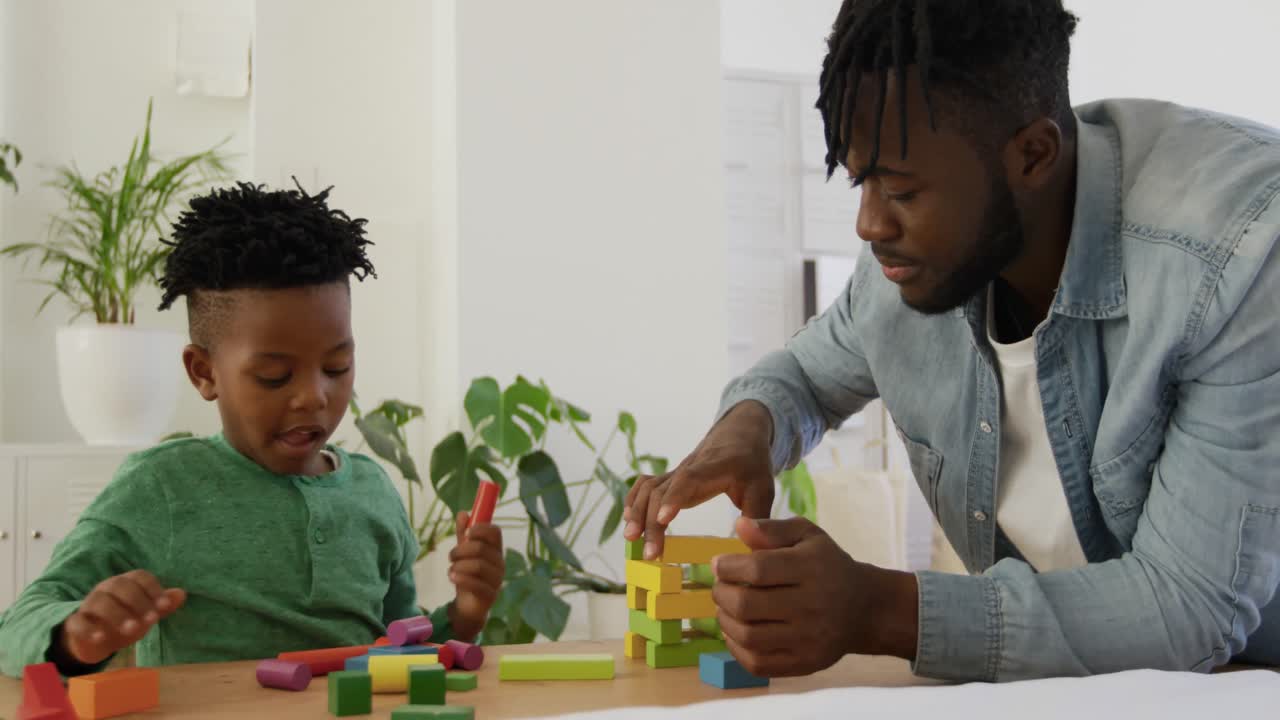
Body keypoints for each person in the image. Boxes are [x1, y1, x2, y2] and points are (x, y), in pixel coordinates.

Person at [625, 0, 1280, 682]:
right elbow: (805, 377)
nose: (868, 223)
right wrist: (746, 433)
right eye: (859, 178)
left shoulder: (1238, 258)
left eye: (902, 190)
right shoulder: (915, 262)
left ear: (1034, 156)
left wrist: (878, 609)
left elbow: (1188, 608)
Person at [0, 182, 504, 678]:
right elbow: (16, 628)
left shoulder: (373, 492)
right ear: (204, 372)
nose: (314, 396)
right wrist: (74, 634)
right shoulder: (161, 488)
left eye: (336, 367)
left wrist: (467, 611)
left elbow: (404, 652)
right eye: (274, 376)